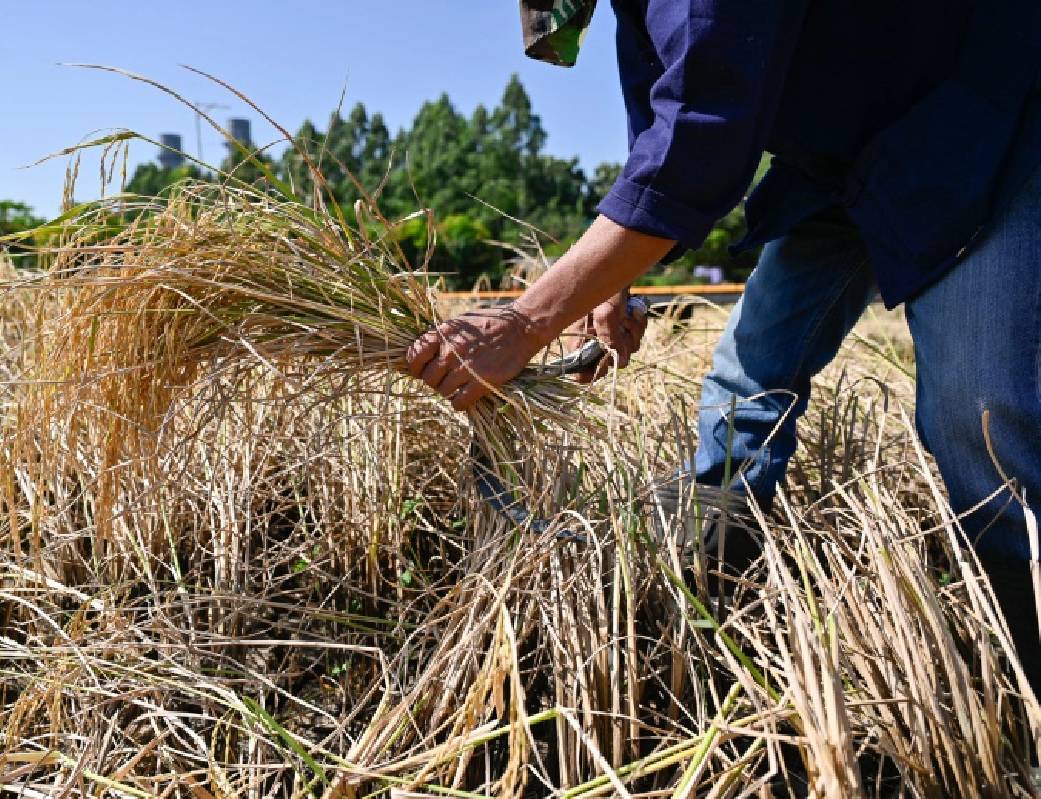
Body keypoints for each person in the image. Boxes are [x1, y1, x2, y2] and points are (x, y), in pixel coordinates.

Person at [405, 0, 1041, 688]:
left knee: (978, 418)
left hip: (984, 105)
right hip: (848, 156)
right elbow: (657, 139)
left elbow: (701, 146)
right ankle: (707, 618)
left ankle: (1027, 686)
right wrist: (607, 284)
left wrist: (529, 321)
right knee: (748, 383)